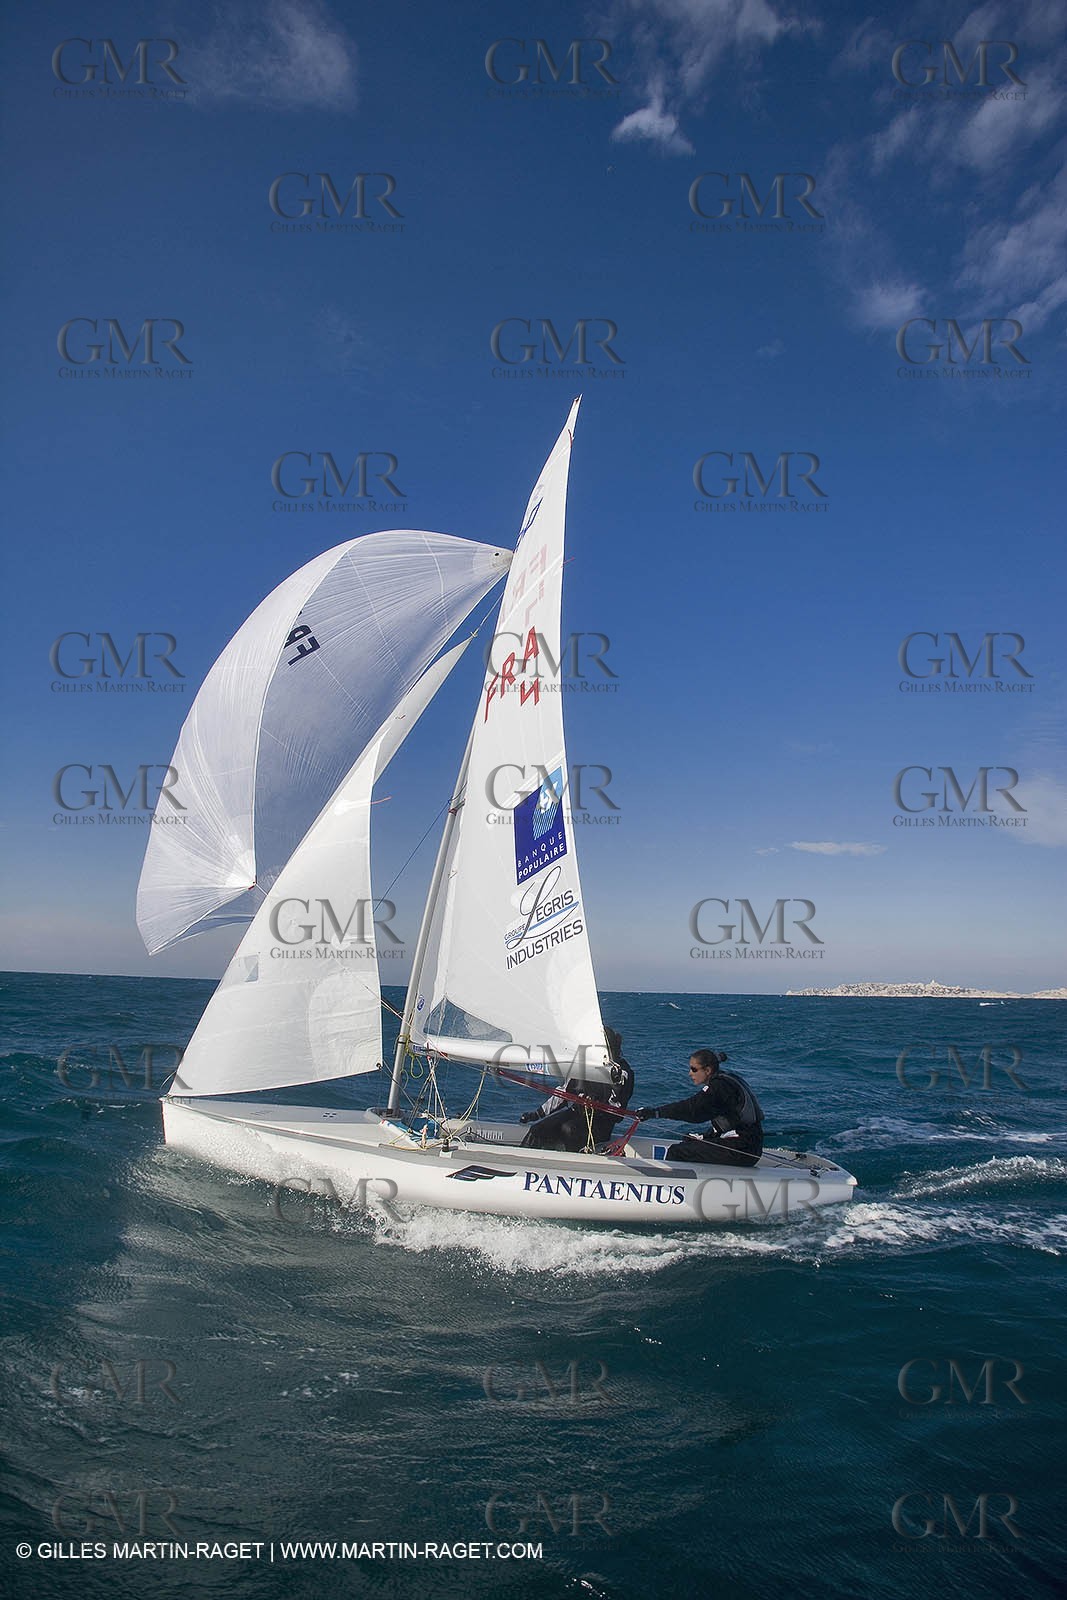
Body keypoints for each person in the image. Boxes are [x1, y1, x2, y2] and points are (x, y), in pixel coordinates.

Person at [634, 1048, 763, 1167]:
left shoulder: (719, 1088)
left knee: (676, 1152)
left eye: (694, 1069)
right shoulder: (728, 1080)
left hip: (742, 1149)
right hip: (748, 1144)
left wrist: (655, 1113)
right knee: (689, 1141)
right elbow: (730, 1122)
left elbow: (693, 1110)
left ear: (708, 1070)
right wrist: (705, 1137)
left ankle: (675, 1189)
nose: (690, 1073)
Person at [519, 1026, 635, 1152]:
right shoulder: (583, 1066)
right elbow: (563, 1093)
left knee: (569, 1130)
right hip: (576, 1113)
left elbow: (617, 1110)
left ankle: (571, 1166)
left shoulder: (621, 1073)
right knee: (537, 1130)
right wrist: (537, 1114)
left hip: (601, 1123)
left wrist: (598, 1103)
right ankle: (521, 1161)